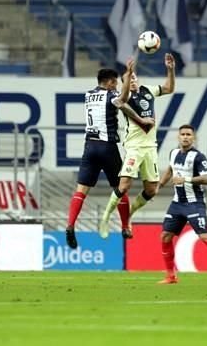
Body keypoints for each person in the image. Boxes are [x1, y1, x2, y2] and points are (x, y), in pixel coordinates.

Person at [65, 67, 153, 249]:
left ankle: (70, 225)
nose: (117, 85)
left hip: (89, 147)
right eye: (116, 82)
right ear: (111, 82)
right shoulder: (110, 94)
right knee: (121, 187)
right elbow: (122, 102)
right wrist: (142, 120)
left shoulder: (89, 95)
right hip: (107, 147)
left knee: (81, 191)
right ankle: (125, 226)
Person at [99, 53, 175, 238]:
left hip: (150, 147)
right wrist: (127, 73)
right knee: (124, 185)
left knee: (152, 190)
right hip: (134, 146)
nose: (132, 80)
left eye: (133, 77)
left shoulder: (148, 90)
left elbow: (169, 88)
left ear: (138, 79)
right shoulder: (122, 96)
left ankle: (130, 214)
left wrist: (171, 70)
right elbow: (122, 100)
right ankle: (106, 217)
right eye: (128, 79)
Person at [156, 124, 207, 285]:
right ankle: (171, 276)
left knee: (204, 237)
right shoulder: (173, 153)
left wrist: (185, 179)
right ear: (178, 137)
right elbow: (170, 170)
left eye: (188, 134)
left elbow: (206, 178)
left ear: (193, 138)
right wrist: (159, 185)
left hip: (194, 203)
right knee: (165, 236)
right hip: (177, 203)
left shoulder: (199, 157)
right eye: (183, 134)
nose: (185, 137)